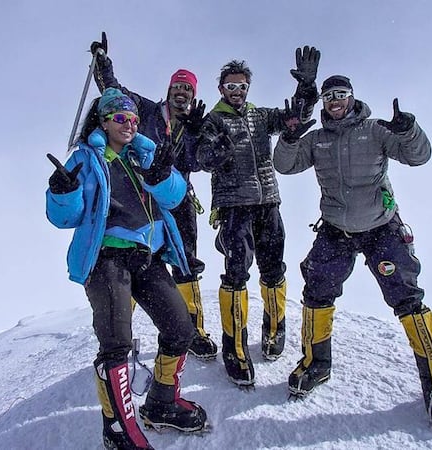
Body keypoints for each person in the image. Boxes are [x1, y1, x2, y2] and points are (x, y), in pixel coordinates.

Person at [272, 74, 432, 429]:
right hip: (335, 230)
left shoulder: (375, 130)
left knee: (407, 300)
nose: (334, 101)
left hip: (381, 228)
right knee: (315, 293)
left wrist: (409, 131)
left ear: (352, 98)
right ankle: (316, 364)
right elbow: (285, 164)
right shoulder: (317, 139)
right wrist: (289, 136)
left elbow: (418, 156)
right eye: (329, 96)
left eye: (340, 94)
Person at [46, 87, 208, 449]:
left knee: (180, 329)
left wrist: (163, 173)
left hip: (145, 257)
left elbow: (174, 196)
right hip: (106, 260)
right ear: (104, 121)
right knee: (116, 344)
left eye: (133, 119)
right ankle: (118, 429)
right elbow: (65, 217)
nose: (129, 124)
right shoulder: (86, 159)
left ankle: (162, 404)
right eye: (120, 118)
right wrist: (62, 191)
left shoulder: (144, 155)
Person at [89, 32, 218, 361]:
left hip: (177, 196)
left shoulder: (193, 124)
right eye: (178, 86)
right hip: (140, 193)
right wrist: (104, 65)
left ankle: (193, 329)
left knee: (186, 262)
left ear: (193, 95)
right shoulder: (145, 110)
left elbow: (200, 162)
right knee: (139, 256)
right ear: (169, 89)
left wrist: (199, 134)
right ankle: (121, 330)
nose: (182, 92)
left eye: (188, 88)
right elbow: (116, 95)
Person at [195, 49, 318, 387]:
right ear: (221, 89)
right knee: (236, 273)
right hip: (235, 207)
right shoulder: (214, 120)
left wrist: (306, 88)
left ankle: (274, 330)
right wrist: (214, 153)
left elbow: (295, 117)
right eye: (231, 86)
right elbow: (202, 156)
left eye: (242, 86)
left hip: (268, 203)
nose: (237, 91)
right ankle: (234, 347)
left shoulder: (259, 116)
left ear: (248, 88)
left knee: (274, 268)